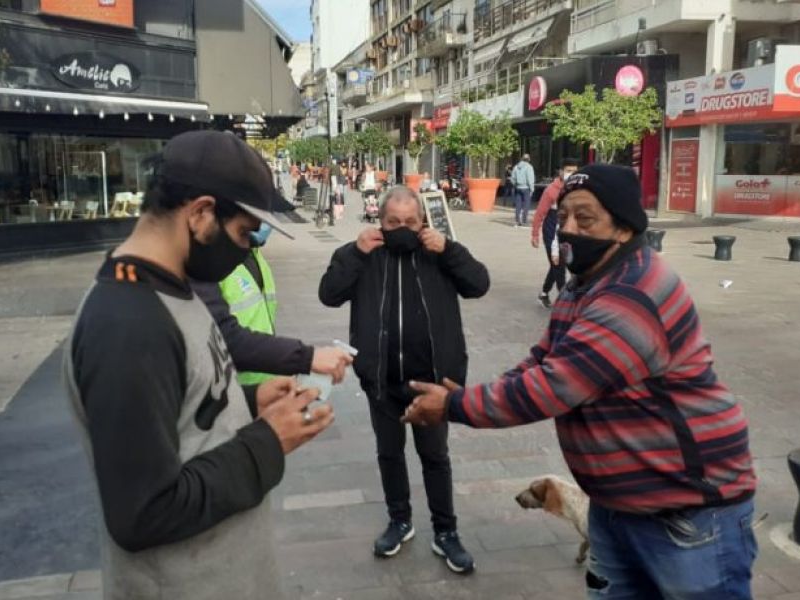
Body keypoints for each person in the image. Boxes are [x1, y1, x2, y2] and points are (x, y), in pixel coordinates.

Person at [402, 164, 758, 599]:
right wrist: (474, 396)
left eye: (584, 219)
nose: (568, 229)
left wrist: (456, 406)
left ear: (624, 229)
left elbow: (555, 385)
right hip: (616, 506)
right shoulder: (585, 283)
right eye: (564, 215)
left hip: (686, 512)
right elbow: (543, 358)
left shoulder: (632, 294)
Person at [63, 130, 335, 600]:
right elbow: (143, 512)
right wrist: (268, 441)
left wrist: (247, 402)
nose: (249, 248)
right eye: (244, 232)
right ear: (202, 213)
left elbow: (180, 416)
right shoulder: (129, 325)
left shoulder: (176, 288)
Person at [318, 186, 490, 574]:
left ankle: (446, 532)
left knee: (435, 456)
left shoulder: (439, 254)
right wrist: (353, 253)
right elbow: (329, 294)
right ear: (379, 221)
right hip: (381, 381)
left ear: (423, 221)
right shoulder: (364, 254)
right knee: (389, 453)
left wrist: (449, 250)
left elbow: (479, 284)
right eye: (393, 222)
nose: (402, 229)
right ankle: (400, 521)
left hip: (432, 384)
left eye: (410, 222)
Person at [193, 222, 353, 386]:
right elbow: (225, 337)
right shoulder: (207, 267)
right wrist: (306, 358)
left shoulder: (254, 255)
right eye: (245, 228)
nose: (259, 226)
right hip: (231, 381)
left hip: (263, 373)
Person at [531, 158, 580, 308]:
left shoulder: (578, 188)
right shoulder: (551, 190)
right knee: (558, 266)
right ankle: (565, 303)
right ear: (561, 171)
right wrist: (535, 234)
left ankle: (544, 293)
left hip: (569, 230)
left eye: (574, 171)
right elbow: (540, 213)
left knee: (558, 263)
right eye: (568, 171)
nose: (570, 174)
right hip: (551, 230)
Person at [510, 154, 536, 227]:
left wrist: (515, 184)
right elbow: (530, 179)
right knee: (526, 205)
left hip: (518, 188)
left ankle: (517, 221)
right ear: (529, 159)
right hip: (526, 188)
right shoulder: (529, 167)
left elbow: (512, 179)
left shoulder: (516, 167)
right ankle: (524, 221)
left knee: (518, 205)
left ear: (522, 159)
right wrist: (532, 189)